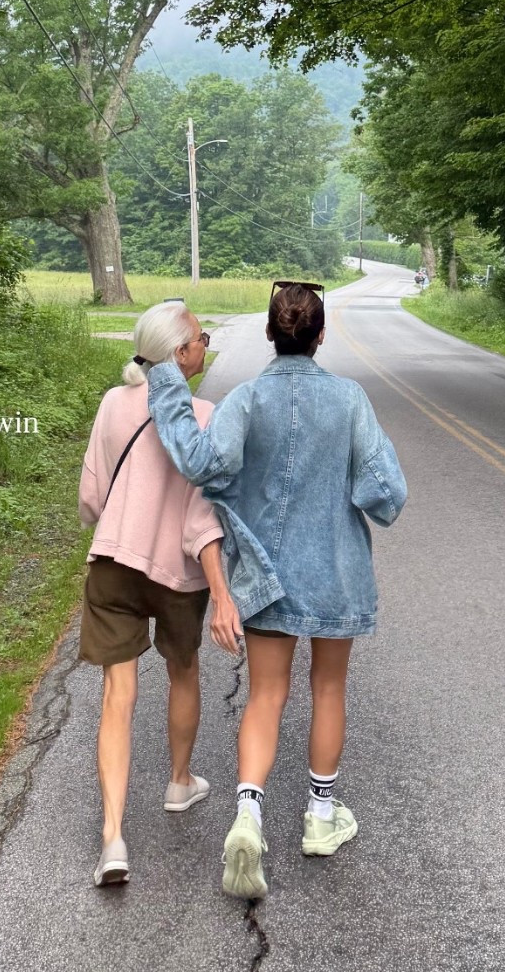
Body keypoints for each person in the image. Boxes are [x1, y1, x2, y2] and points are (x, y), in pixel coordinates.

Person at [146, 281, 406, 900]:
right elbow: (385, 493)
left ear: (269, 333)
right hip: (337, 572)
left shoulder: (246, 398)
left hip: (266, 574)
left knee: (265, 694)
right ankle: (320, 818)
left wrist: (165, 383)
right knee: (329, 687)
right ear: (319, 337)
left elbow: (203, 464)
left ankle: (248, 817)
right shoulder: (349, 401)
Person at [78, 301, 242, 888]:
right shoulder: (206, 415)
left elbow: (93, 495)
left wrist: (119, 524)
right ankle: (179, 781)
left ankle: (113, 838)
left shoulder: (112, 404)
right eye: (200, 338)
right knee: (183, 669)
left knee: (117, 694)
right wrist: (221, 588)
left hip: (115, 561)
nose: (205, 345)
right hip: (177, 571)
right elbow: (204, 519)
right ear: (179, 354)